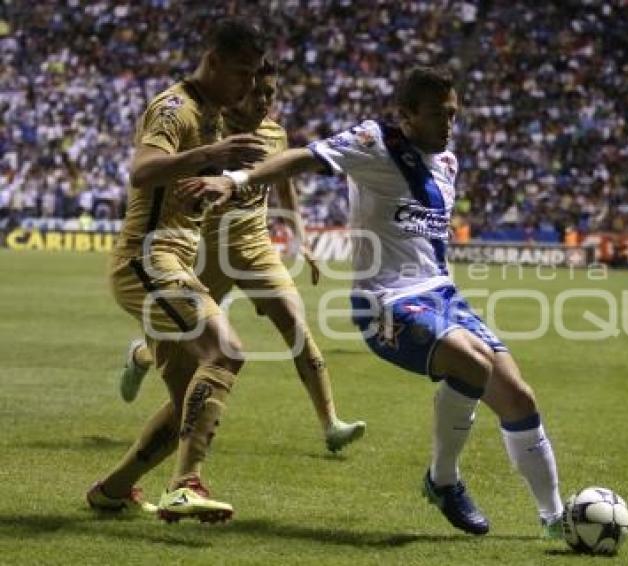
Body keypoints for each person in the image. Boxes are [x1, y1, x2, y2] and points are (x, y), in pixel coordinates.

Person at [177, 66, 569, 540]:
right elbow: (301, 157)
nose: (449, 125)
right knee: (471, 362)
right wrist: (236, 180)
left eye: (453, 115)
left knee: (519, 398)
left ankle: (555, 519)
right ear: (405, 115)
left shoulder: (447, 162)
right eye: (438, 115)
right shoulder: (373, 141)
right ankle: (443, 481)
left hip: (442, 294)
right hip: (382, 300)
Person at [118, 59, 366, 453]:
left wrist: (301, 240)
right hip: (206, 253)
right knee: (192, 339)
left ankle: (331, 422)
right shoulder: (208, 132)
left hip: (257, 249)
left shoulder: (275, 135)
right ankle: (142, 354)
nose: (264, 101)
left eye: (270, 94)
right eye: (256, 93)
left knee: (296, 326)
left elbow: (285, 187)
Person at [87, 19, 266, 523]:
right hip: (146, 259)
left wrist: (225, 180)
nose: (249, 86)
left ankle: (112, 491)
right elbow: (142, 171)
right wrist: (211, 156)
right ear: (212, 63)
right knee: (226, 351)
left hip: (173, 261)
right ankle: (185, 485)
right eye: (242, 74)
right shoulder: (174, 108)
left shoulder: (213, 113)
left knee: (191, 398)